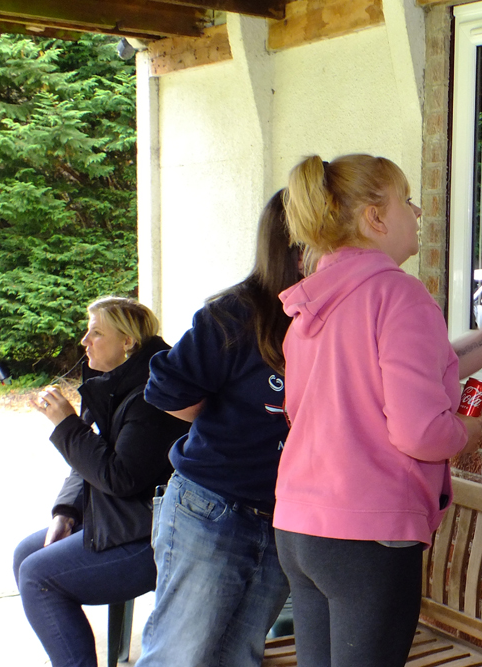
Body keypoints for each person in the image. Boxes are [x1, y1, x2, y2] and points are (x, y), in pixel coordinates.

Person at [274, 153, 482, 667]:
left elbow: (434, 363)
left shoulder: (314, 304)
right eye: (407, 200)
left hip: (299, 526)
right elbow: (420, 432)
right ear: (375, 217)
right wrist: (465, 433)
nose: (419, 213)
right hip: (367, 534)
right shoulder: (399, 294)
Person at [135, 190, 299, 667]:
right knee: (179, 657)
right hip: (211, 509)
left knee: (237, 658)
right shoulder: (238, 313)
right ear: (295, 241)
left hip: (281, 520)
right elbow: (166, 389)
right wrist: (222, 423)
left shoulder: (327, 317)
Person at [12, 297, 189, 667]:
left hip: (154, 534)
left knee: (37, 576)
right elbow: (89, 460)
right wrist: (65, 511)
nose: (84, 341)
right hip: (121, 518)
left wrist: (65, 425)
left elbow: (120, 477)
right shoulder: (115, 384)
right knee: (26, 554)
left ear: (127, 341)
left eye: (95, 332)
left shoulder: (149, 394)